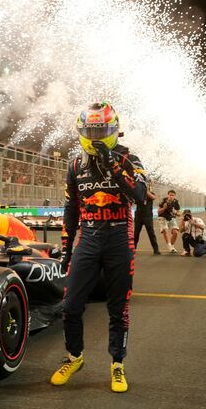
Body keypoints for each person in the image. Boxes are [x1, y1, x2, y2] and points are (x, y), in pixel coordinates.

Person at [51, 102, 146, 394]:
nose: (95, 135)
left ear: (113, 129)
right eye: (90, 130)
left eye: (101, 130)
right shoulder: (75, 164)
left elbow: (140, 195)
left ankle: (117, 364)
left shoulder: (130, 158)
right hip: (88, 238)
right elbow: (71, 208)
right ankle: (74, 357)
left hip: (120, 238)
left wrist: (113, 165)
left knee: (118, 308)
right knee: (70, 307)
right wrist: (66, 248)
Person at [134, 186, 161, 255]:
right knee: (136, 233)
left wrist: (145, 190)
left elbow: (153, 197)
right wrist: (140, 190)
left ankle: (156, 249)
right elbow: (134, 200)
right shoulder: (138, 194)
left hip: (148, 216)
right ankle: (133, 249)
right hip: (138, 216)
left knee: (151, 233)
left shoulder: (151, 193)